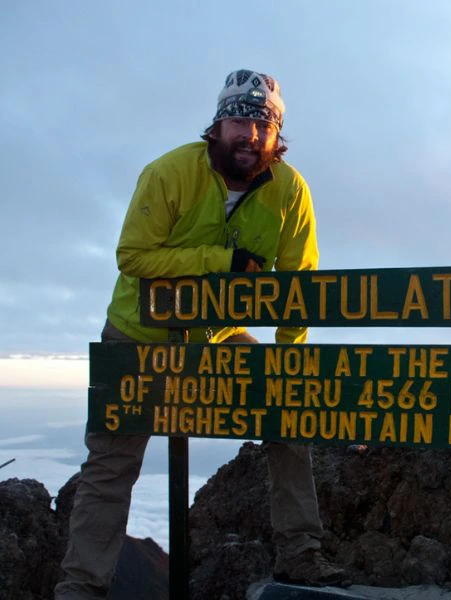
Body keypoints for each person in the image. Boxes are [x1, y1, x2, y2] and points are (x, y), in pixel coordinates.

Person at [55, 69, 349, 598]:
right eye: (240, 121)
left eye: (264, 125)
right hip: (139, 335)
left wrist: (289, 360)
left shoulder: (289, 190)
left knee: (290, 416)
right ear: (218, 125)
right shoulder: (168, 173)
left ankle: (301, 554)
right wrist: (219, 261)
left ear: (276, 133)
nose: (250, 135)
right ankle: (80, 588)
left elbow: (299, 286)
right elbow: (133, 256)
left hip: (219, 336)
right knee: (111, 466)